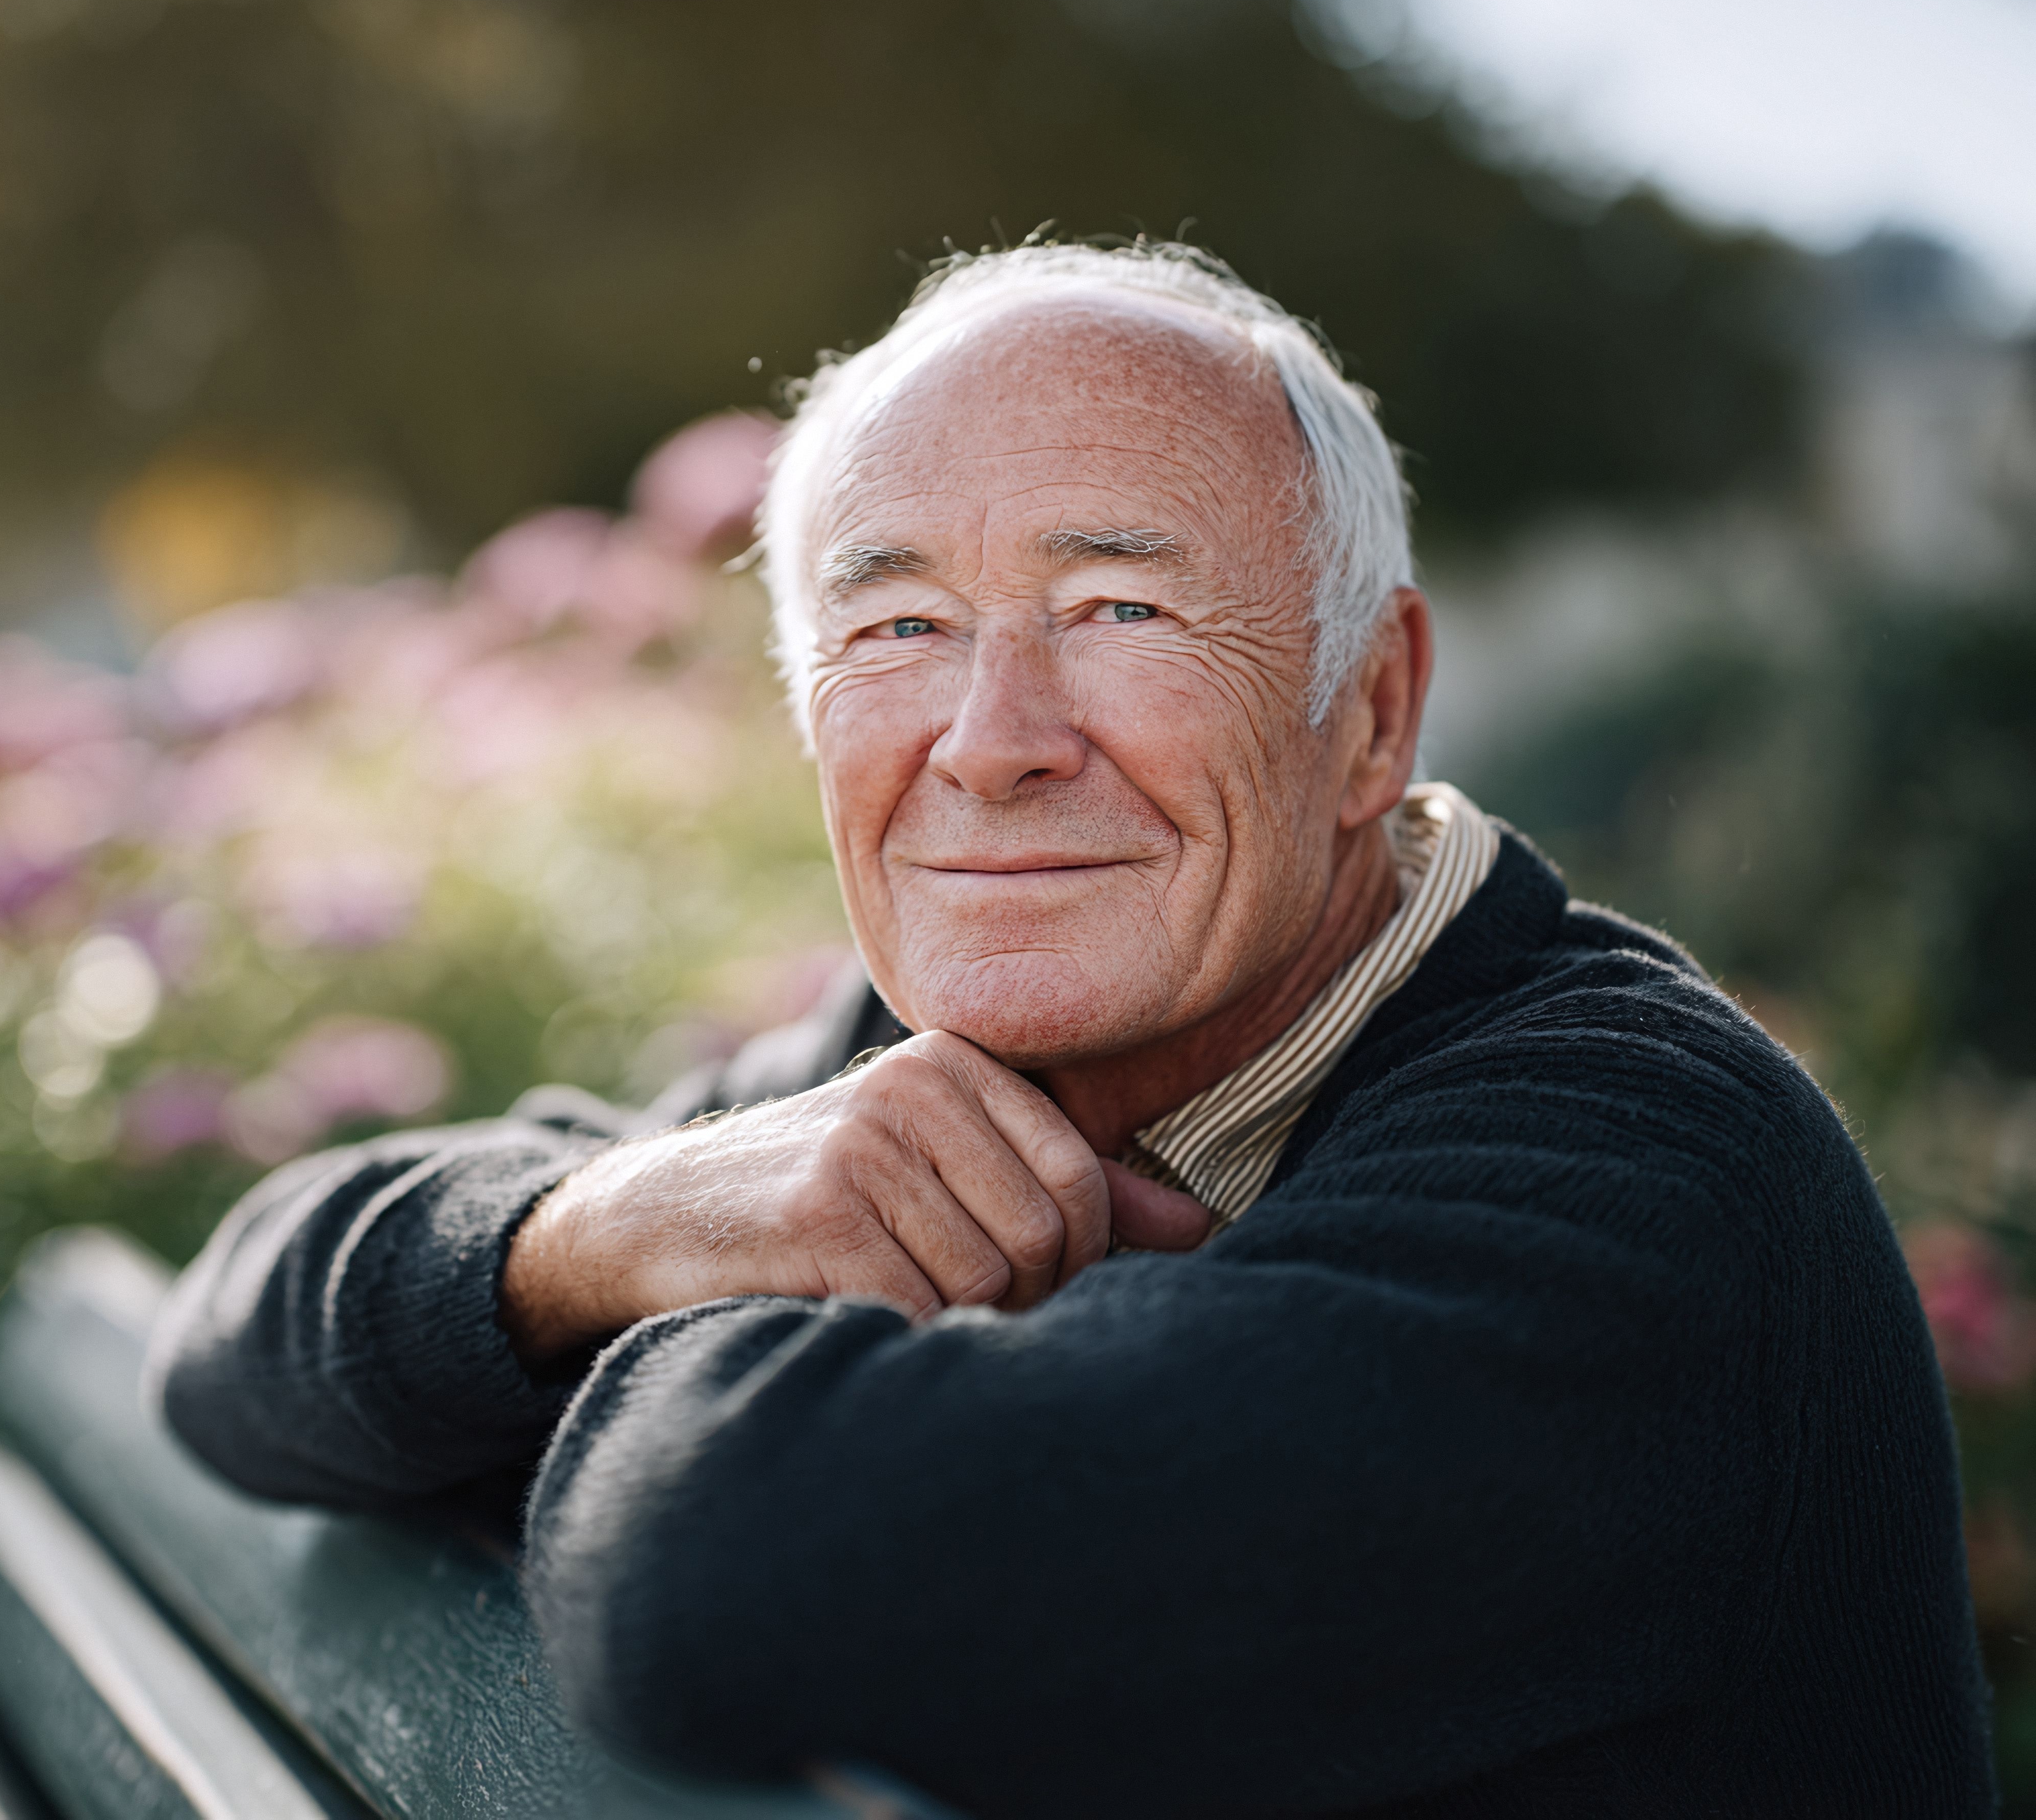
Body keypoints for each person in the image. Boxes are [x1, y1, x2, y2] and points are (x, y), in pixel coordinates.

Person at [146, 242, 1991, 1815]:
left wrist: (631, 1338)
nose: (991, 735)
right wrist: (620, 1228)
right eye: (898, 629)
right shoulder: (929, 1048)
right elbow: (233, 1346)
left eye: (1120, 606)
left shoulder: (1641, 1165)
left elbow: (723, 1572)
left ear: (1370, 713)